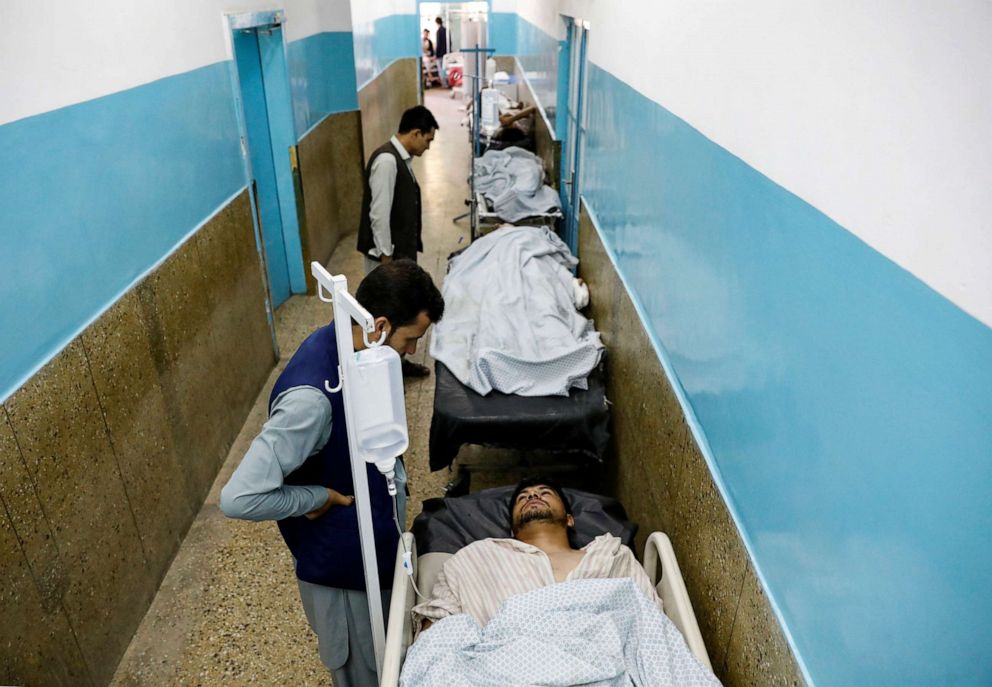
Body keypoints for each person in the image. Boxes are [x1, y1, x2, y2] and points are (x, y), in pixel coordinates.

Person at [220, 260, 444, 687]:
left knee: (391, 659)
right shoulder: (312, 400)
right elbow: (240, 497)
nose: (413, 352)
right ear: (378, 325)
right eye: (411, 339)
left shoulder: (349, 348)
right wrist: (315, 498)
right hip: (343, 572)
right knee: (367, 673)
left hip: (371, 549)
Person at [411, 476, 663, 632]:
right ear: (511, 528)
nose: (533, 495)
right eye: (523, 497)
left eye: (545, 493)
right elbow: (438, 628)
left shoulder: (610, 555)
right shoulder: (476, 557)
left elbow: (649, 621)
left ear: (570, 519)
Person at [356, 105, 439, 377]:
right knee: (384, 314)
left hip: (396, 254)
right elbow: (378, 215)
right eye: (427, 140)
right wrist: (386, 262)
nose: (428, 147)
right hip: (385, 256)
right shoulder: (387, 161)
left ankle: (397, 365)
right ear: (416, 133)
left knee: (400, 312)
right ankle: (380, 371)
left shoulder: (401, 160)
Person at [434, 17, 449, 86]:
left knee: (441, 69)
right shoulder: (446, 30)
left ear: (436, 23)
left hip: (440, 54)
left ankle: (444, 83)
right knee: (445, 68)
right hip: (446, 52)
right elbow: (449, 42)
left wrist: (436, 54)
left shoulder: (438, 31)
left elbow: (438, 44)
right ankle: (447, 82)